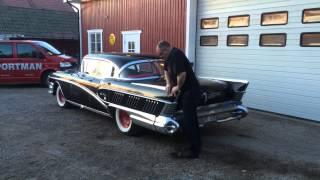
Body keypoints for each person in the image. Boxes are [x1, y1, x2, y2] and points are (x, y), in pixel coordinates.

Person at [156, 40, 201, 159]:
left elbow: (182, 75)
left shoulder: (177, 55)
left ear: (166, 49)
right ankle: (193, 145)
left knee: (190, 121)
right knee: (186, 119)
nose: (161, 56)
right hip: (185, 92)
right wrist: (168, 84)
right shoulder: (168, 57)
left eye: (161, 54)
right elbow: (166, 70)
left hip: (191, 91)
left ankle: (194, 151)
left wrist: (177, 87)